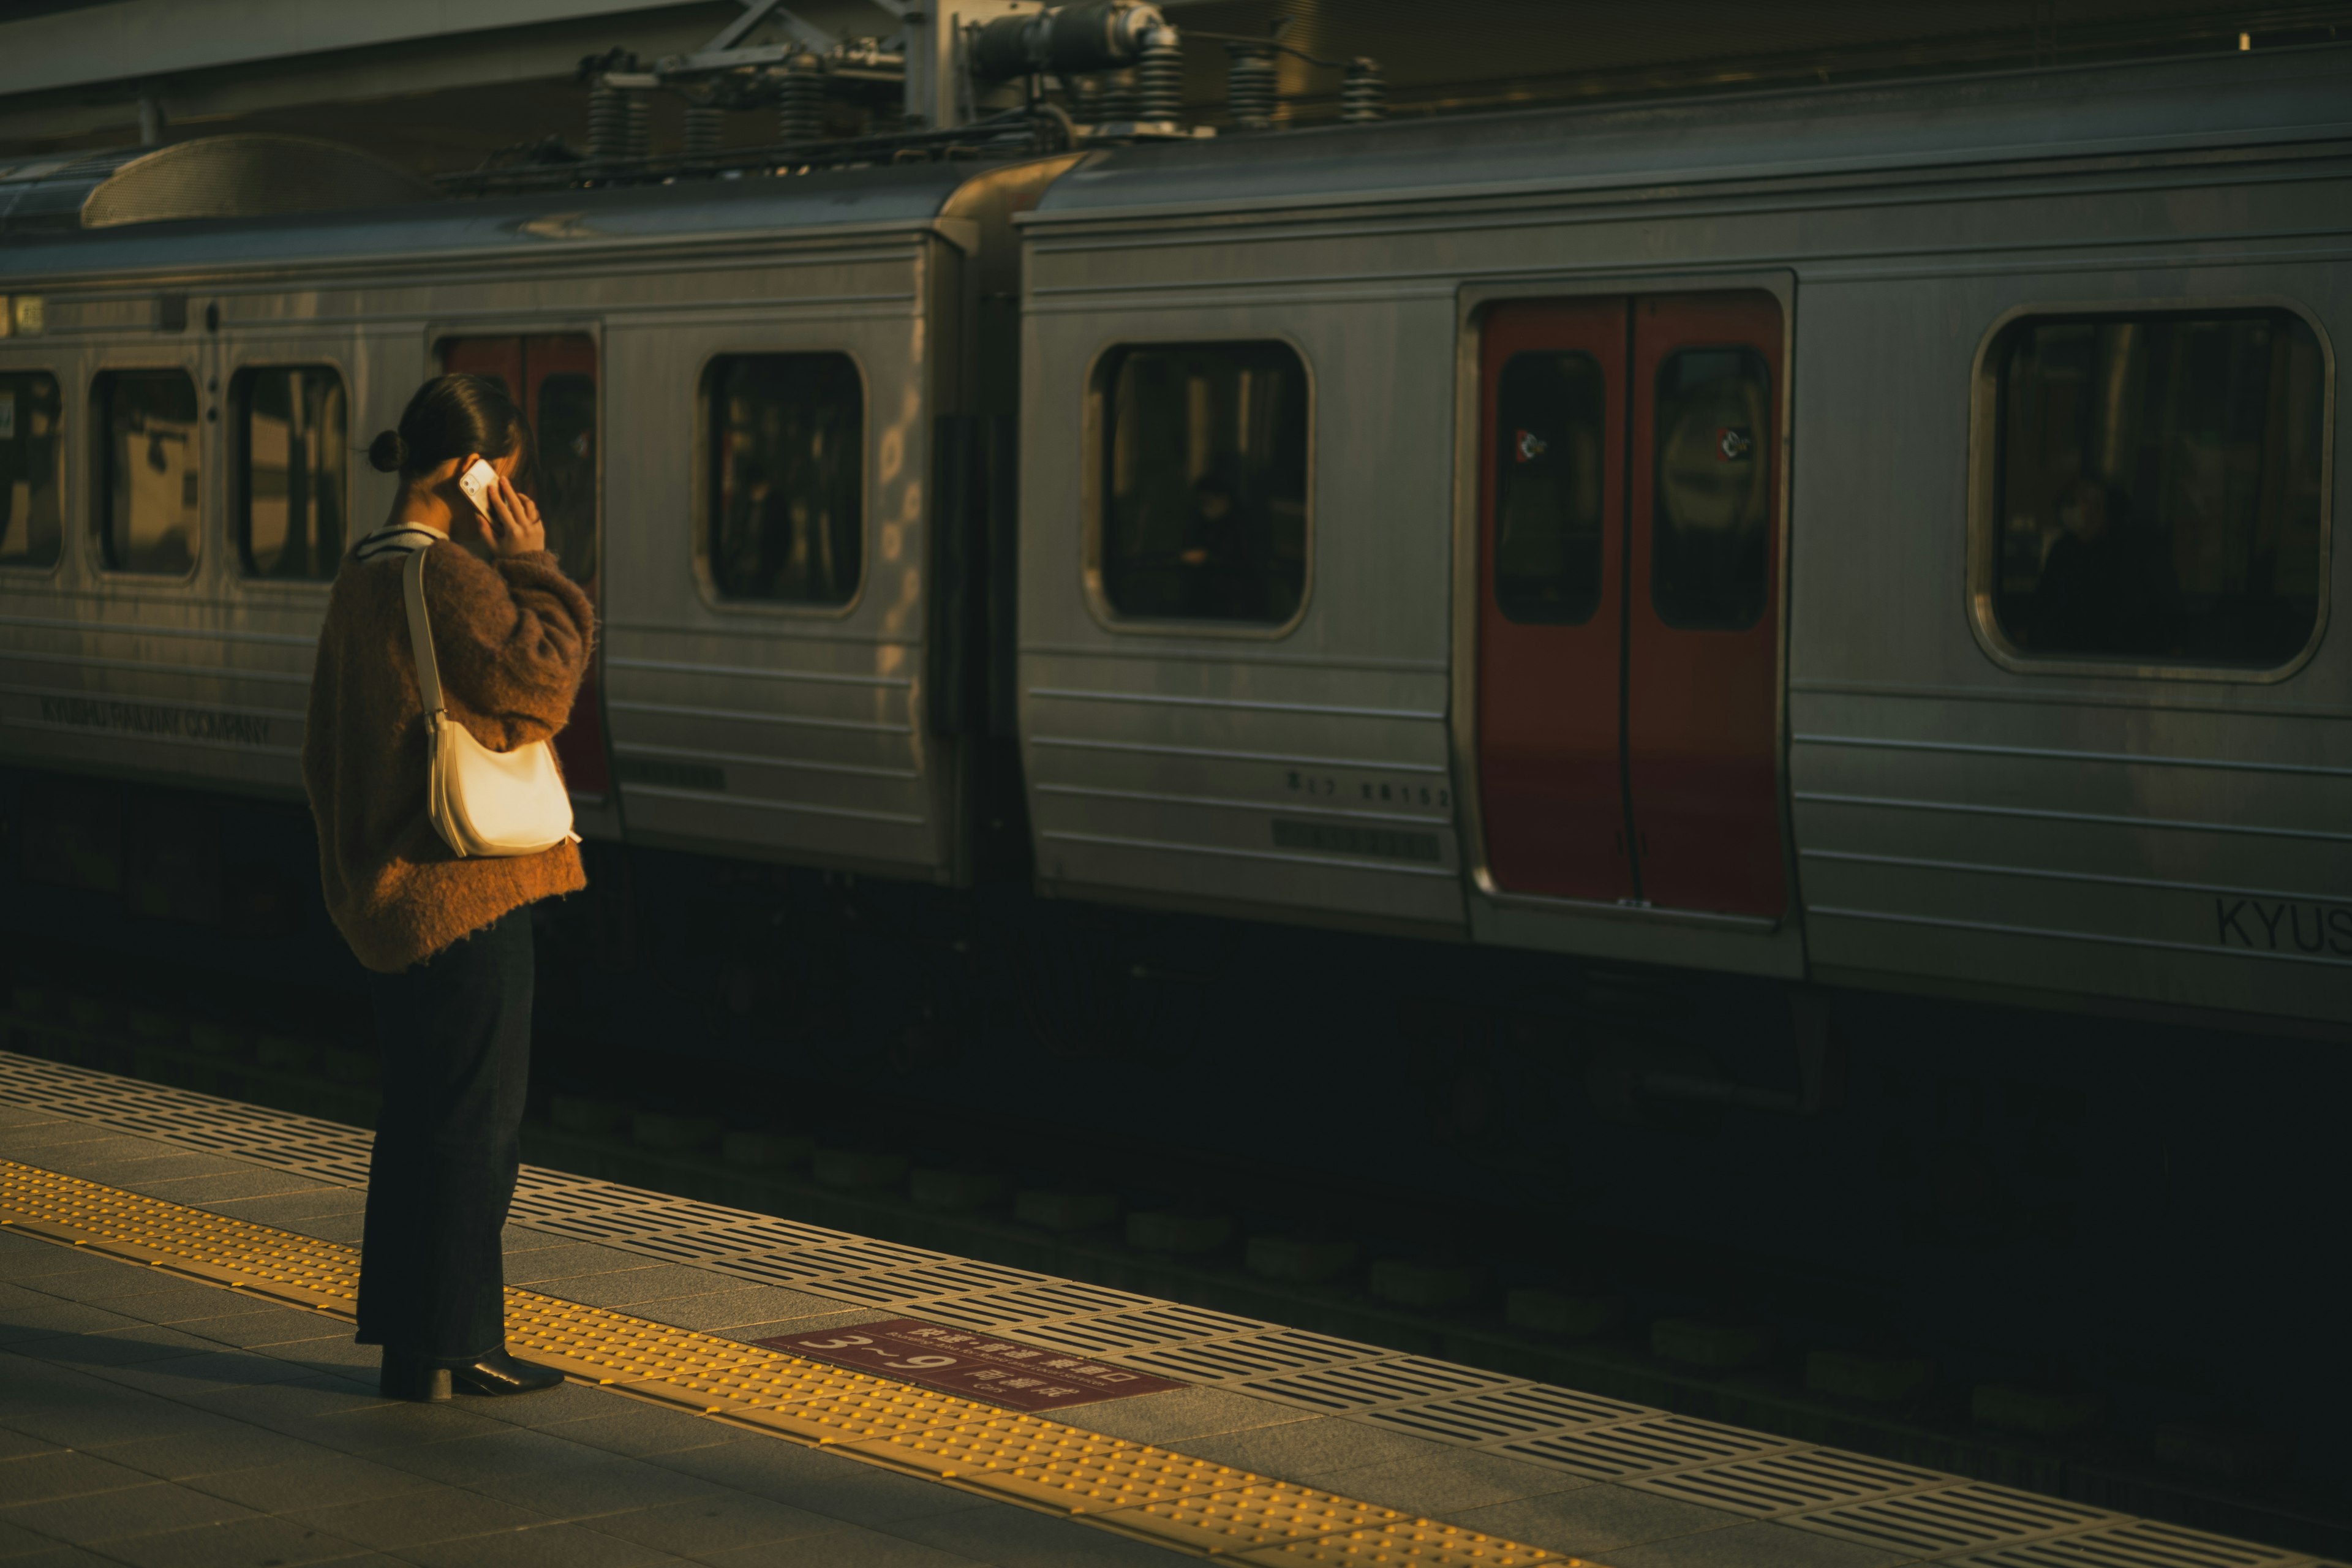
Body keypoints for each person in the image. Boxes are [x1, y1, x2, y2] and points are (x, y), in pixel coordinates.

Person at [301, 374, 594, 1401]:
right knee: (476, 1127)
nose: (505, 493)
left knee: (420, 1119)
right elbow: (547, 684)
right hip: (464, 890)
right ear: (473, 470)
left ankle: (413, 1342)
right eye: (500, 475)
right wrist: (534, 565)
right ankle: (459, 1345)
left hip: (392, 890)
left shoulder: (362, 573)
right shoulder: (451, 577)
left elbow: (326, 747)